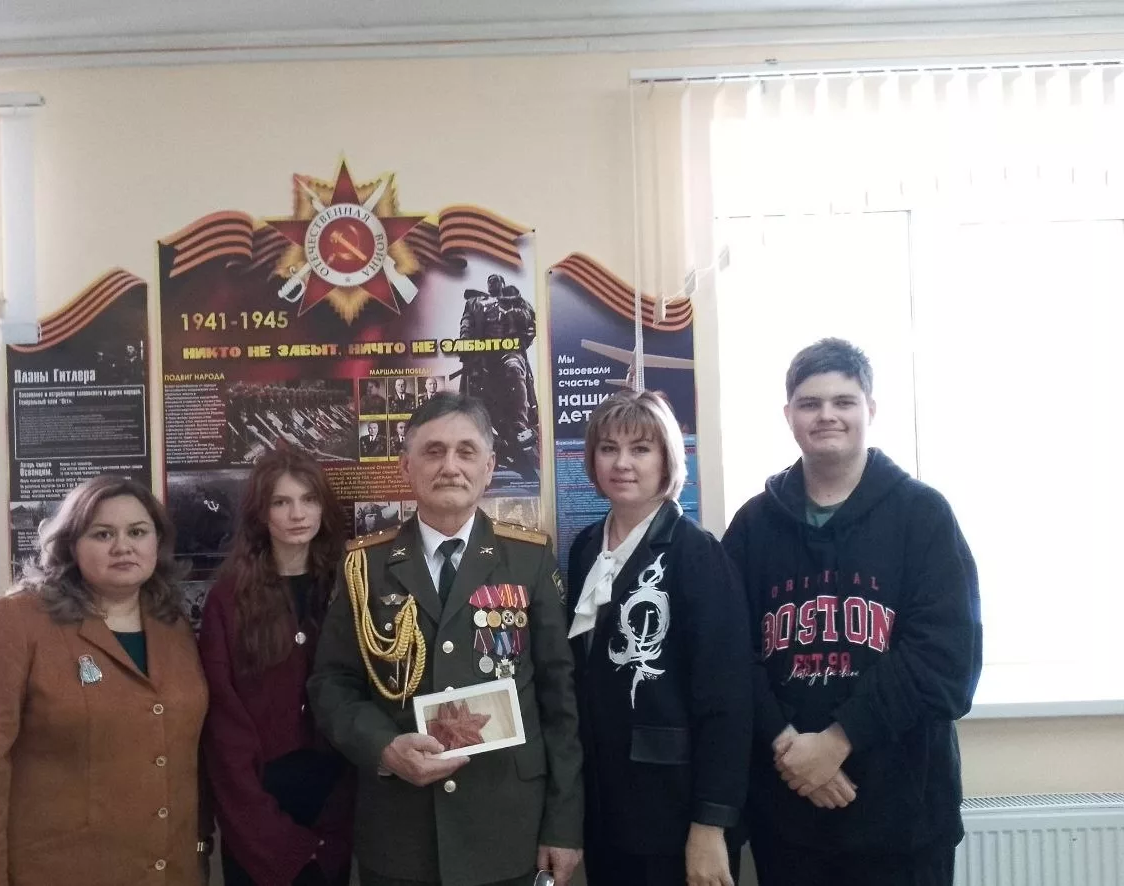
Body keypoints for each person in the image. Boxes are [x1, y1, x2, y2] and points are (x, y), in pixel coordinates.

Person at [722, 338, 982, 886]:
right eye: (810, 403)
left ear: (871, 409)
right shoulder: (752, 527)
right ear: (788, 415)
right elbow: (728, 656)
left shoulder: (923, 515)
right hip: (787, 813)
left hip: (903, 819)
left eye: (843, 401)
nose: (827, 415)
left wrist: (837, 741)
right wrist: (790, 749)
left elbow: (947, 659)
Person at [308, 393, 584, 886]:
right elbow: (331, 685)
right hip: (402, 835)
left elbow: (559, 701)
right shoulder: (365, 566)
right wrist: (384, 748)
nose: (450, 466)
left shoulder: (528, 558)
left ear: (489, 467)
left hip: (506, 828)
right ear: (406, 466)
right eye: (433, 451)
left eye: (466, 451)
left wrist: (563, 826)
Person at [0, 475, 209, 886]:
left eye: (138, 532)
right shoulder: (15, 622)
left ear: (158, 542)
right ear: (70, 545)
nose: (123, 546)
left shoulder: (173, 625)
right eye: (103, 534)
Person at [567, 391, 751, 886]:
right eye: (608, 448)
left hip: (675, 810)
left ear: (667, 459)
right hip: (605, 806)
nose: (622, 463)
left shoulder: (698, 554)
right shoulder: (585, 548)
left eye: (640, 449)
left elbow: (727, 701)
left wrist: (710, 822)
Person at [199, 449, 355, 886]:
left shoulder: (349, 587)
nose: (297, 514)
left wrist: (337, 827)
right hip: (256, 813)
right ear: (260, 513)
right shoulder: (228, 600)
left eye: (309, 499)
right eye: (281, 502)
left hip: (334, 808)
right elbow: (223, 728)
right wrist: (268, 835)